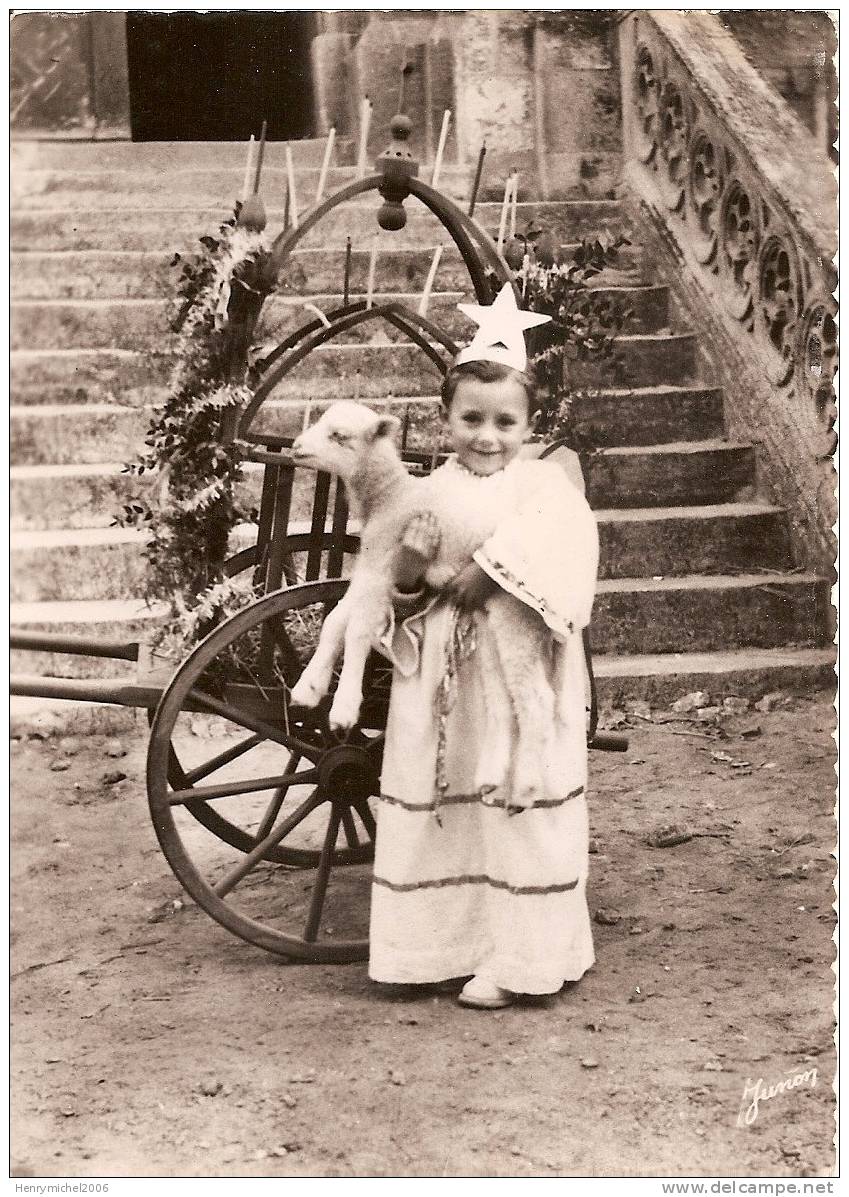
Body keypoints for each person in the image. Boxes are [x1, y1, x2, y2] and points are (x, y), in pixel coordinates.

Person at [368, 285, 600, 1009]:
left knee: (510, 800)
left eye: (505, 422)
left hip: (511, 672)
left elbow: (561, 547)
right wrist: (409, 569)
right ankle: (438, 945)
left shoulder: (542, 486)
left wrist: (489, 572)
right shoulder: (427, 491)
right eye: (471, 419)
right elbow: (396, 589)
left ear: (528, 425)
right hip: (442, 667)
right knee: (445, 799)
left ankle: (522, 956)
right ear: (446, 419)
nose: (486, 436)